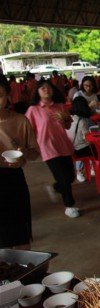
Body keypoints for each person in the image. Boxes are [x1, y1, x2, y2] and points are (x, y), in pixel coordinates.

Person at [26, 80, 80, 218]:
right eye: (42, 88)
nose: (46, 90)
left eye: (48, 87)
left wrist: (64, 119)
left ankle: (55, 188)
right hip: (47, 147)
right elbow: (28, 130)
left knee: (70, 177)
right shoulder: (34, 110)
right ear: (37, 92)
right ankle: (69, 205)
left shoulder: (60, 106)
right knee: (63, 177)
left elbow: (68, 126)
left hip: (63, 145)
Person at [0, 79, 40, 250]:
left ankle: (24, 272)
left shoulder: (20, 121)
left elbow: (34, 154)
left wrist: (23, 151)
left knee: (20, 234)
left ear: (8, 96)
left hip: (13, 181)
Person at [68, 96, 95, 182]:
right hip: (82, 150)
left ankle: (80, 171)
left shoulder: (69, 118)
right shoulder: (82, 121)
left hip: (71, 150)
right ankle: (93, 167)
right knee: (97, 147)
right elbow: (87, 138)